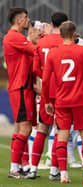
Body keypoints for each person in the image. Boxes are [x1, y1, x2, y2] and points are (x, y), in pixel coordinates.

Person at [41, 21, 83, 184]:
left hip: (61, 101)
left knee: (62, 136)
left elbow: (46, 80)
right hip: (81, 101)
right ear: (75, 33)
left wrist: (47, 101)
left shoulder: (53, 54)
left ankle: (63, 174)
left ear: (61, 35)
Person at [26, 12, 68, 180]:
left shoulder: (41, 42)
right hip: (62, 91)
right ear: (65, 24)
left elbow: (35, 69)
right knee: (60, 131)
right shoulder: (65, 43)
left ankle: (33, 169)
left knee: (42, 130)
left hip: (46, 90)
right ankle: (54, 170)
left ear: (52, 23)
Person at [3, 7, 39, 178]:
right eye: (25, 18)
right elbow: (36, 50)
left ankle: (22, 166)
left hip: (23, 86)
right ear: (18, 20)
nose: (28, 20)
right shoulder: (14, 37)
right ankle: (14, 168)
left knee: (22, 128)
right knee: (25, 128)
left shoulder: (15, 37)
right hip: (21, 87)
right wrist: (38, 39)